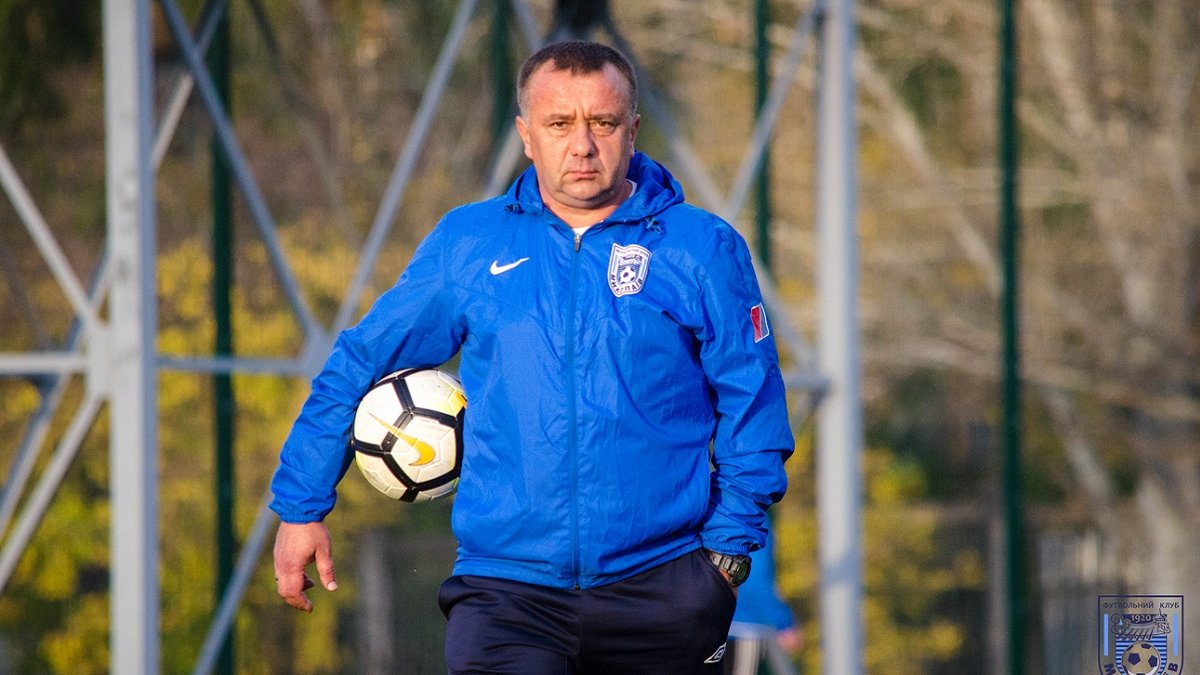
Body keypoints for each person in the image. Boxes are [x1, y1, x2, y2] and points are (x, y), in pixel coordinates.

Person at [270, 39, 794, 674]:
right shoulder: (470, 243)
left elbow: (753, 404)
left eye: (603, 123)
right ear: (526, 135)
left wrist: (725, 559)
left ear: (633, 130)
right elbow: (360, 362)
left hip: (663, 587)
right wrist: (300, 506)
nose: (583, 145)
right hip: (506, 594)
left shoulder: (701, 247)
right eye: (559, 124)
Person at [724, 527, 802, 675]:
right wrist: (784, 623)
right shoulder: (753, 520)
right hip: (744, 626)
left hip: (713, 623)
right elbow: (757, 581)